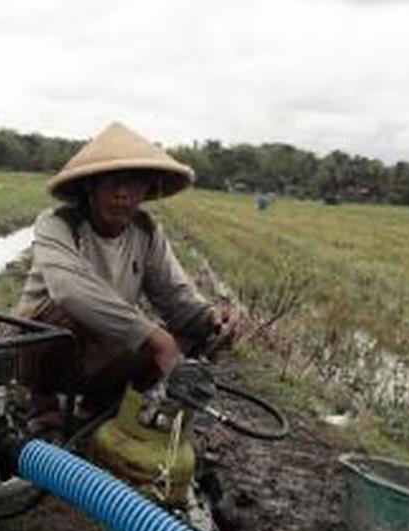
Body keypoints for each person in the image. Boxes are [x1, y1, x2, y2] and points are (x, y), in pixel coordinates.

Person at [13, 121, 241, 433]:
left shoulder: (146, 232)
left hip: (103, 350)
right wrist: (154, 337)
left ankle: (96, 407)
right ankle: (43, 405)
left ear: (147, 189)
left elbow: (176, 299)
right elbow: (68, 290)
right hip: (44, 352)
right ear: (89, 187)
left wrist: (212, 318)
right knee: (66, 314)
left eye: (133, 182)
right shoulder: (57, 224)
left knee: (196, 331)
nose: (122, 194)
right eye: (111, 182)